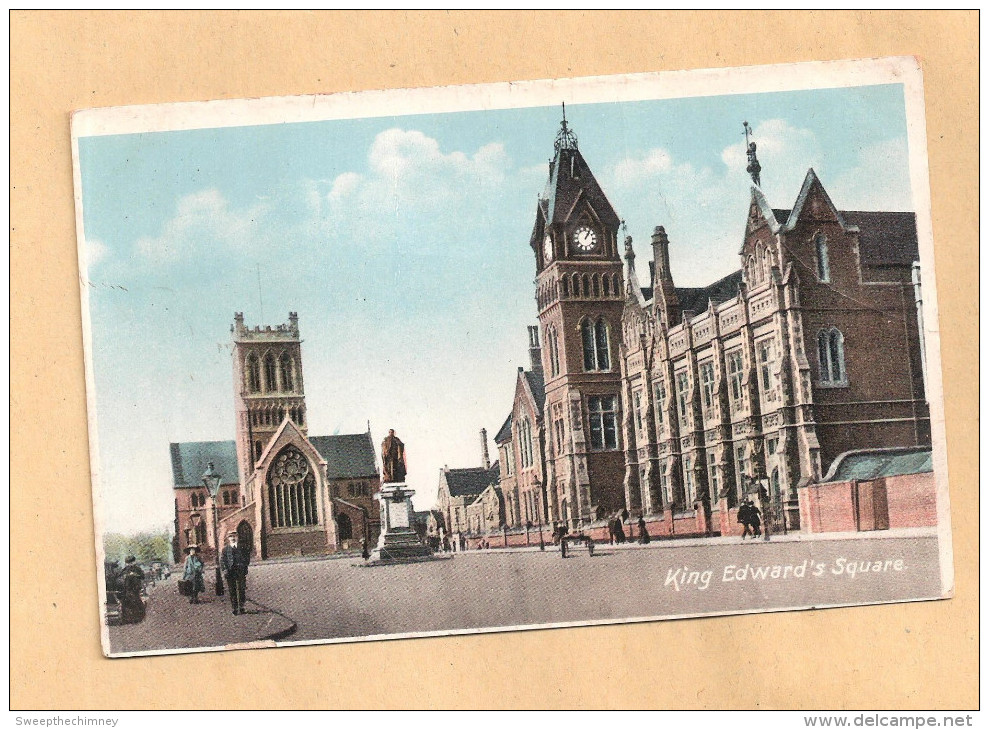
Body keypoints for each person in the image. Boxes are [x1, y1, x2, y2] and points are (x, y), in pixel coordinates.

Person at [221, 532, 250, 615]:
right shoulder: (225, 549)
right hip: (230, 572)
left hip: (240, 571)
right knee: (232, 590)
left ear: (237, 537)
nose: (233, 538)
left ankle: (241, 607)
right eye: (230, 537)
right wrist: (225, 569)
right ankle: (234, 607)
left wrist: (244, 566)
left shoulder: (242, 547)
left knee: (241, 589)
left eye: (234, 536)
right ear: (228, 538)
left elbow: (247, 557)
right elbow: (222, 560)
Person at [119, 556, 146, 624]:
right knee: (125, 603)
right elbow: (120, 576)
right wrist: (124, 576)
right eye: (128, 563)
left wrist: (135, 575)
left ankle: (138, 618)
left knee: (136, 601)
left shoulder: (137, 569)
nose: (129, 564)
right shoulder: (125, 569)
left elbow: (142, 576)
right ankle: (125, 619)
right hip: (126, 588)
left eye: (130, 563)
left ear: (134, 562)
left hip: (135, 588)